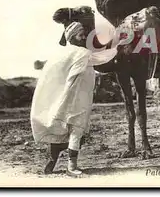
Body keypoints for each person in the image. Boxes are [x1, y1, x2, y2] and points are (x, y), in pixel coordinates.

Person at [30, 22, 118, 176]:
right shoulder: (82, 52)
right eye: (81, 34)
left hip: (63, 99)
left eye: (84, 34)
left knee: (60, 132)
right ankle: (72, 167)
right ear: (71, 37)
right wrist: (118, 47)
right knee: (76, 131)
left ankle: (51, 164)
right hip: (77, 99)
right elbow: (102, 59)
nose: (84, 37)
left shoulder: (60, 54)